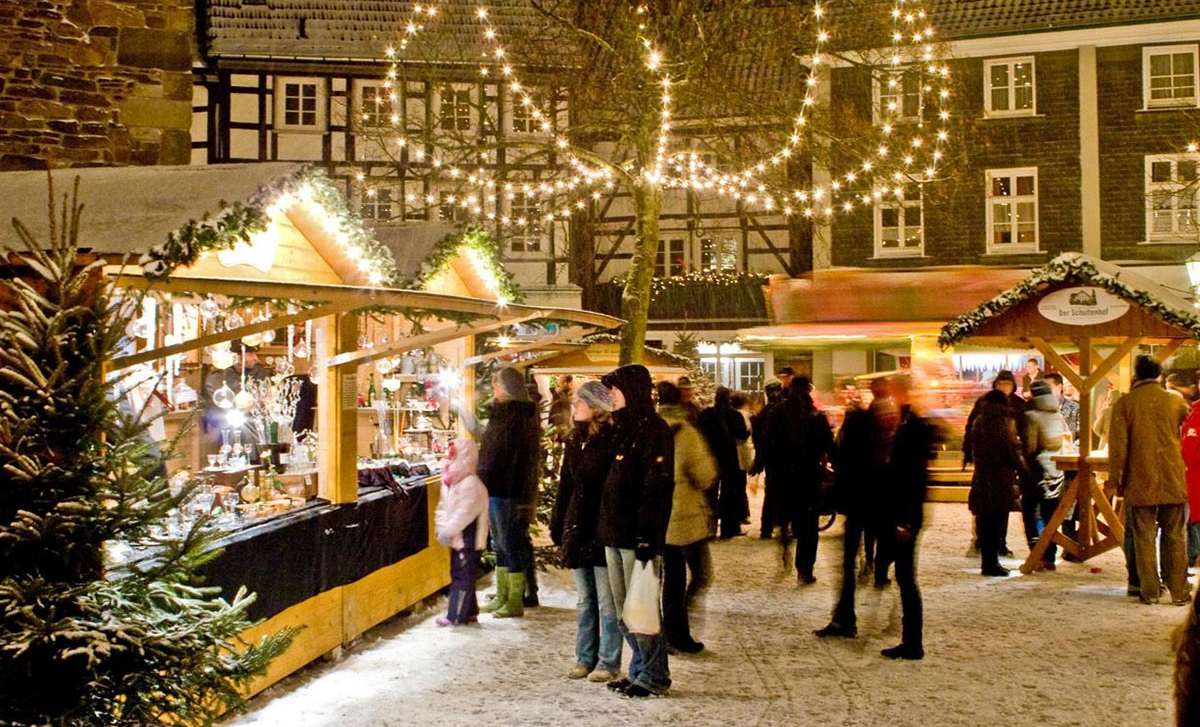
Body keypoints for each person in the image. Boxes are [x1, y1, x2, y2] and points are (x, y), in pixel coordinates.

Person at [597, 365, 675, 698]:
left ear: (631, 391)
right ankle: (638, 668)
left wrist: (647, 535)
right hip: (614, 532)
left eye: (614, 390)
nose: (609, 396)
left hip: (636, 536)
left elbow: (655, 487)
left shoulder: (654, 430)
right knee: (622, 611)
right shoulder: (622, 428)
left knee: (641, 609)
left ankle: (654, 675)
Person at [550, 381, 622, 681]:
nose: (573, 405)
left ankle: (608, 661)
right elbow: (566, 486)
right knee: (585, 600)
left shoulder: (611, 440)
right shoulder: (574, 440)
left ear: (595, 407)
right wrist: (558, 525)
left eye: (580, 401)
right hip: (578, 526)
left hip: (601, 527)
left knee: (607, 601)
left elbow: (609, 488)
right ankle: (584, 657)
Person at [814, 376, 896, 640]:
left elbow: (842, 458)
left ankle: (845, 619)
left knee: (848, 560)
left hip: (857, 497)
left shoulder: (859, 423)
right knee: (874, 542)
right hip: (878, 495)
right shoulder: (888, 423)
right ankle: (878, 572)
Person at [1109, 355, 1191, 606]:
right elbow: (1185, 421)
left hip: (1140, 477)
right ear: (1159, 376)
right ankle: (1179, 591)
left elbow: (1118, 447)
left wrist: (1115, 480)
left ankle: (1151, 591)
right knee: (1175, 535)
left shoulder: (1125, 403)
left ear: (1136, 375)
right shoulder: (1174, 402)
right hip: (1172, 477)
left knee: (1144, 536)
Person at [657, 381, 718, 655]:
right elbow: (705, 474)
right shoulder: (686, 432)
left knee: (667, 578)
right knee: (697, 575)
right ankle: (677, 633)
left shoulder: (651, 430)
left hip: (657, 518)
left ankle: (665, 631)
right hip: (684, 518)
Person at [877, 376, 934, 660]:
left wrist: (905, 520)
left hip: (906, 513)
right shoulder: (908, 424)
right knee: (903, 576)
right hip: (904, 511)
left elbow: (910, 479)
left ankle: (913, 641)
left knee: (906, 577)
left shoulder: (912, 428)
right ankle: (910, 639)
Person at [477, 366, 540, 618]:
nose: (493, 391)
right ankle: (503, 594)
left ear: (505, 388)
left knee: (509, 543)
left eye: (496, 386)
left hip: (508, 489)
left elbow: (516, 458)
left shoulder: (517, 417)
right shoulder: (501, 414)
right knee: (499, 544)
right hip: (495, 487)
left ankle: (514, 599)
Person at [773, 375, 834, 583]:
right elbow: (828, 444)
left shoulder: (778, 412)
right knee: (809, 525)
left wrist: (764, 463)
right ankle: (804, 568)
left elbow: (768, 441)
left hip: (783, 474)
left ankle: (785, 544)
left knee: (787, 514)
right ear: (809, 390)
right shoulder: (816, 416)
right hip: (808, 476)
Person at [964, 369, 1027, 558]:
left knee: (1000, 506)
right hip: (989, 464)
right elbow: (971, 427)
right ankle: (981, 541)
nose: (1003, 388)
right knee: (985, 504)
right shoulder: (984, 403)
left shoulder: (1018, 405)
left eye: (1007, 384)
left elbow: (1022, 433)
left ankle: (1000, 542)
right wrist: (968, 451)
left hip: (1002, 466)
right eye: (1000, 384)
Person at [434, 438, 489, 627]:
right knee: (463, 573)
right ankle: (469, 611)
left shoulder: (470, 484)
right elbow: (444, 507)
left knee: (462, 575)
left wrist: (448, 530)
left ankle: (456, 614)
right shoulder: (451, 481)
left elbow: (465, 513)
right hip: (458, 536)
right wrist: (441, 526)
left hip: (469, 537)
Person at [1024, 380, 1070, 569]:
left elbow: (1030, 446)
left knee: (1031, 513)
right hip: (1057, 468)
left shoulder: (1031, 416)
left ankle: (1037, 553)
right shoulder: (1058, 415)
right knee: (1051, 514)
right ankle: (1049, 556)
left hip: (1038, 470)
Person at [699, 387, 750, 539]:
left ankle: (710, 527)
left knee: (710, 494)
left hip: (711, 457)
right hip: (729, 458)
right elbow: (742, 434)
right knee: (730, 494)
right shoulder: (735, 415)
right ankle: (729, 527)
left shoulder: (706, 414)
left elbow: (701, 433)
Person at [750, 381, 785, 539]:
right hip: (781, 457)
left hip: (771, 458)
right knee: (779, 491)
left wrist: (759, 459)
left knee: (771, 492)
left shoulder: (764, 412)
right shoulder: (783, 409)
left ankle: (768, 527)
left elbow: (759, 438)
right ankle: (777, 525)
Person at [1181, 395, 1200, 569]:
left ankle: (1192, 555)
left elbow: (1189, 450)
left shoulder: (1195, 414)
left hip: (1195, 477)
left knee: (1193, 520)